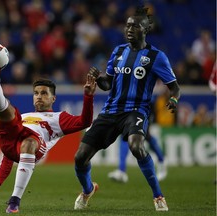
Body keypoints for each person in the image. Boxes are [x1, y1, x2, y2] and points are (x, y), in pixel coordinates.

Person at [73, 7, 180, 212]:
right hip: (111, 111)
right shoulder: (118, 51)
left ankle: (158, 196)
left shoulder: (157, 56)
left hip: (136, 111)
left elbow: (175, 87)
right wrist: (98, 78)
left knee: (136, 146)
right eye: (127, 25)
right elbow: (109, 84)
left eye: (135, 26)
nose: (129, 29)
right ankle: (88, 190)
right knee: (80, 157)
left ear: (145, 29)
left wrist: (174, 100)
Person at [0, 50, 97, 213]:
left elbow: (85, 122)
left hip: (35, 145)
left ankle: (15, 200)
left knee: (28, 141)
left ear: (53, 99)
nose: (38, 97)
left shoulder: (59, 118)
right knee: (5, 110)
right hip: (10, 142)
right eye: (36, 93)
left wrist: (88, 97)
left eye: (44, 93)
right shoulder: (23, 116)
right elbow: (8, 157)